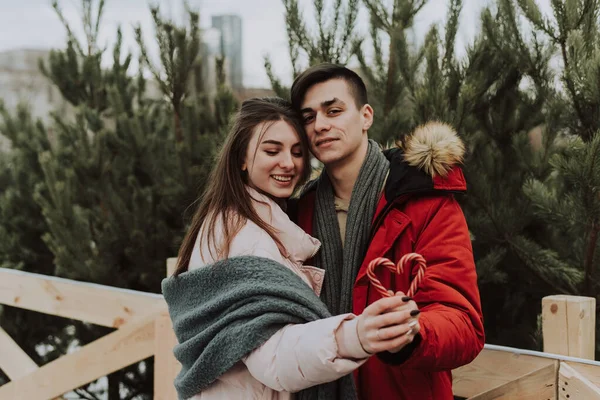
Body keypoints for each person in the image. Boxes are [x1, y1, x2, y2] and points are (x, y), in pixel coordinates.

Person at [162, 97, 421, 400]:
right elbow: (272, 356)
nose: (288, 163)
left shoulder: (253, 222)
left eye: (298, 152)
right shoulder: (242, 237)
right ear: (241, 159)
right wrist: (356, 335)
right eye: (272, 150)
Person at [289, 64, 485, 400]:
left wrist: (414, 330)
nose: (320, 125)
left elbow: (463, 321)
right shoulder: (296, 213)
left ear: (365, 116)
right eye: (308, 117)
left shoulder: (422, 201)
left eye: (334, 110)